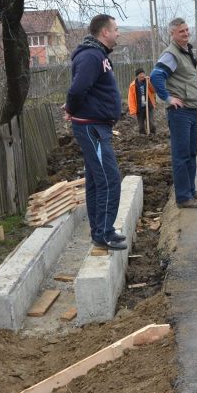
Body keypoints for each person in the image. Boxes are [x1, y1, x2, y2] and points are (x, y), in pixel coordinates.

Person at [65, 14, 126, 250]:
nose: (118, 33)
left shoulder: (98, 55)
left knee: (95, 181)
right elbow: (77, 89)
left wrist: (73, 108)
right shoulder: (91, 56)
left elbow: (88, 90)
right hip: (93, 128)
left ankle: (100, 231)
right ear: (105, 32)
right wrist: (71, 109)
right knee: (109, 180)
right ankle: (104, 234)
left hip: (96, 126)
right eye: (116, 29)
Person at [150, 18, 197, 209]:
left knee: (191, 152)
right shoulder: (171, 54)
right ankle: (183, 197)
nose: (186, 33)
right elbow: (156, 76)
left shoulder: (185, 51)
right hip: (180, 112)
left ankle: (190, 190)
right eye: (181, 31)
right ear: (172, 34)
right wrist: (168, 98)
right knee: (181, 155)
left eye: (187, 30)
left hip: (191, 109)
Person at [126, 68, 156, 135]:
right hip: (139, 108)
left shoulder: (147, 81)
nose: (142, 75)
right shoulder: (133, 85)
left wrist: (149, 82)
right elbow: (131, 99)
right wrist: (133, 110)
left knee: (151, 123)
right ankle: (142, 137)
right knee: (141, 126)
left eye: (143, 74)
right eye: (140, 74)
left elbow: (154, 90)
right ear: (137, 76)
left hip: (149, 106)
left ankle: (153, 136)